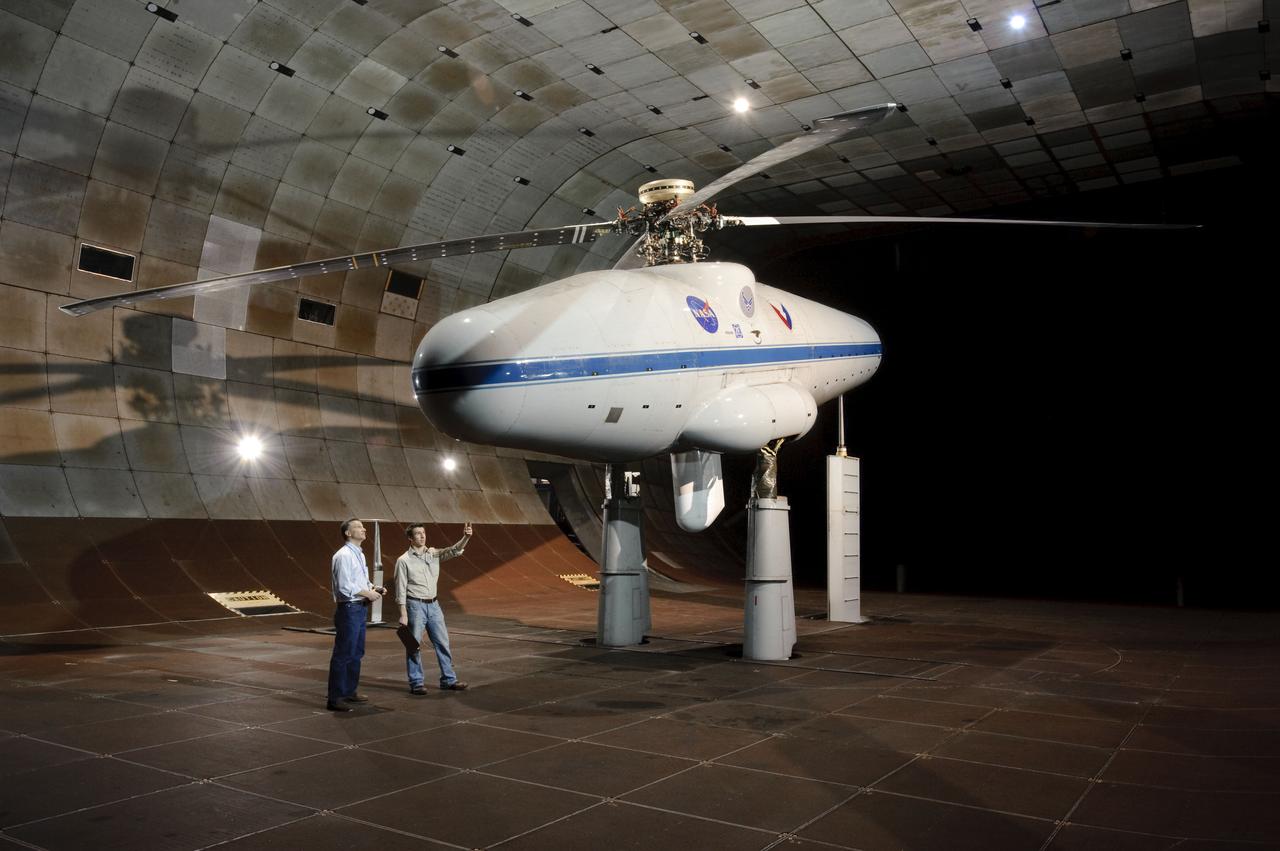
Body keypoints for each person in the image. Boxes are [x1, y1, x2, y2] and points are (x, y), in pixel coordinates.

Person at [395, 521, 472, 693]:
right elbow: (400, 588)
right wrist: (403, 613)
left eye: (423, 533)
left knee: (443, 643)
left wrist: (466, 537)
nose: (422, 536)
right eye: (417, 533)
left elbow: (454, 550)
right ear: (410, 538)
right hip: (415, 605)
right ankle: (416, 683)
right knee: (413, 645)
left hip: (434, 605)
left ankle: (449, 679)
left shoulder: (433, 554)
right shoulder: (403, 560)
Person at [327, 518, 385, 711]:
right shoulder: (344, 555)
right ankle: (335, 698)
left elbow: (360, 579)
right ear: (348, 533)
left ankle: (349, 690)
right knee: (343, 653)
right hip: (349, 609)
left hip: (359, 608)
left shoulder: (358, 554)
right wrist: (368, 593)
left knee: (356, 652)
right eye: (358, 527)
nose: (364, 529)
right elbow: (345, 586)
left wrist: (373, 587)